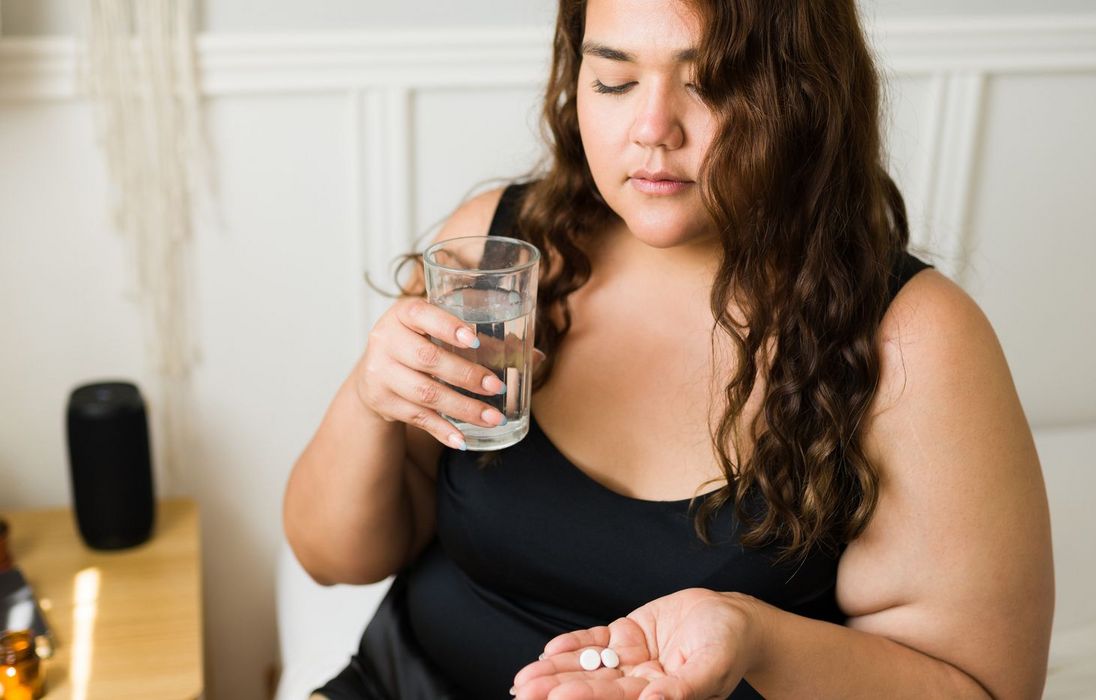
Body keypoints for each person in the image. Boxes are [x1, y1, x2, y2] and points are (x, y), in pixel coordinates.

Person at [284, 0, 1055, 697]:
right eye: (614, 81)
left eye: (709, 81)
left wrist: (758, 639)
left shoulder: (914, 339)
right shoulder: (504, 250)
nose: (653, 129)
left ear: (807, 92)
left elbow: (980, 690)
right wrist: (369, 398)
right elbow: (332, 559)